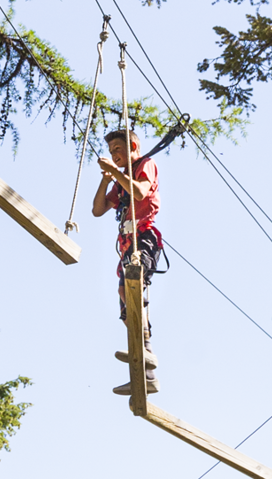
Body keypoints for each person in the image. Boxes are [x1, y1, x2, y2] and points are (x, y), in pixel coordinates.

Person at [91, 127, 161, 396]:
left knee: (131, 283)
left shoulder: (145, 165)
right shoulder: (120, 183)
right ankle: (146, 368)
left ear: (133, 147)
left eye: (118, 149)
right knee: (124, 297)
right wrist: (107, 179)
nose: (114, 154)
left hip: (144, 237)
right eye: (111, 152)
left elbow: (142, 193)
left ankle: (145, 355)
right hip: (127, 245)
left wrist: (118, 174)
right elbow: (97, 210)